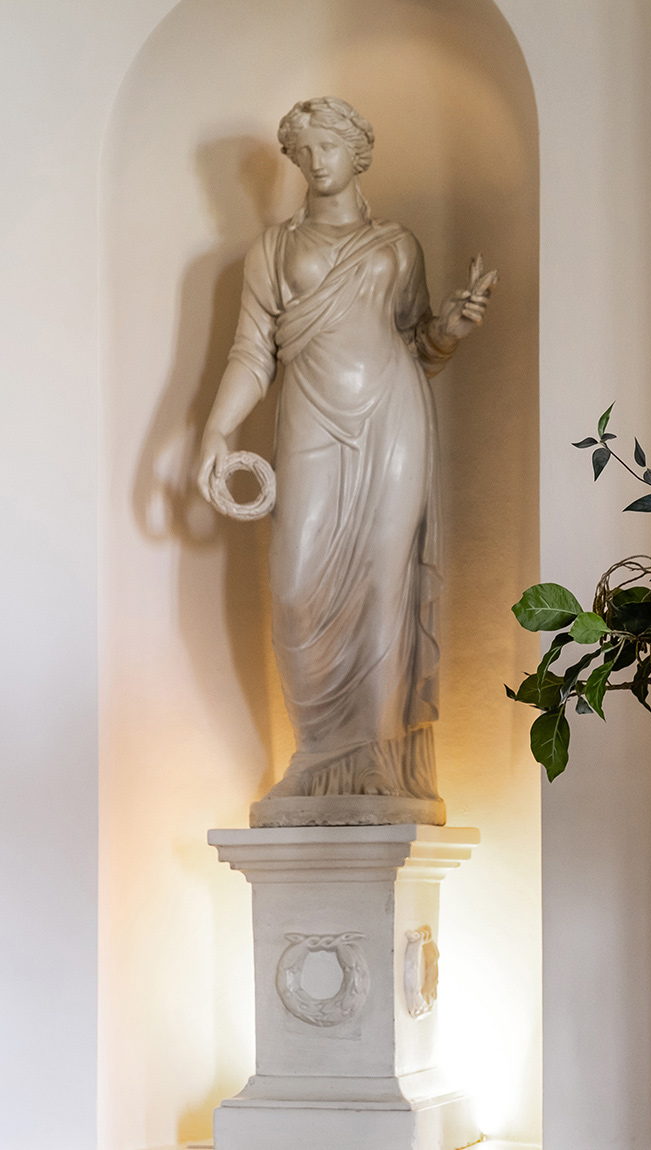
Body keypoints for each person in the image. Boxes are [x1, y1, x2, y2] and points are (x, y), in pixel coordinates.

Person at [197, 96, 495, 808]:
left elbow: (418, 344)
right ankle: (319, 754)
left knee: (383, 587)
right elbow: (251, 352)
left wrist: (449, 328)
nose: (315, 160)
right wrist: (216, 429)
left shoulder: (397, 245)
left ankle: (377, 764)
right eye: (302, 151)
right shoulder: (272, 250)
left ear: (358, 153)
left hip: (393, 420)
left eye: (327, 145)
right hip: (309, 422)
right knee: (297, 587)